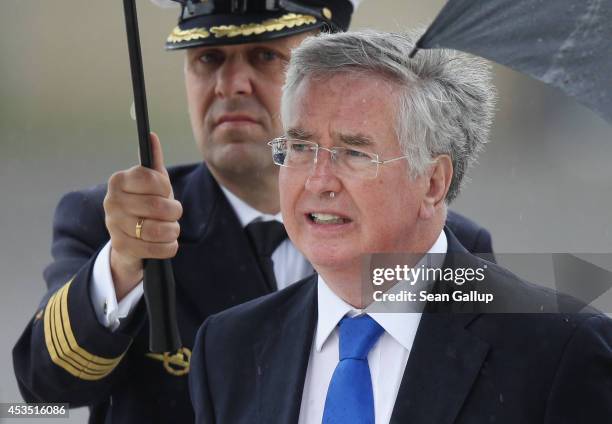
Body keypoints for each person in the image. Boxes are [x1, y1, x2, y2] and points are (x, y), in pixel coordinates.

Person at [13, 2, 493, 423]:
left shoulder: (446, 246)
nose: (230, 84)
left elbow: (490, 390)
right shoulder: (119, 224)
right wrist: (121, 267)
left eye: (265, 56)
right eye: (208, 59)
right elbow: (45, 389)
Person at [189, 29, 612, 423]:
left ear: (432, 182)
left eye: (353, 153)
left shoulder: (558, 350)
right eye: (300, 147)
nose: (317, 181)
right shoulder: (229, 347)